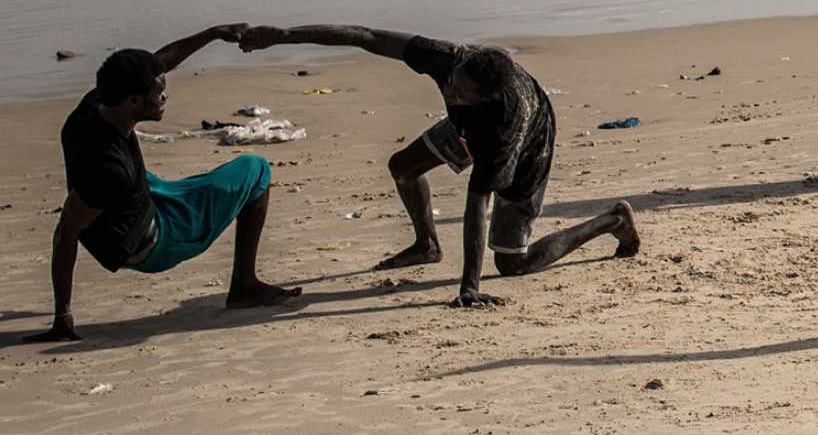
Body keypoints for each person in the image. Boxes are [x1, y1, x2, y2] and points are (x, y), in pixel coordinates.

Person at [234, 24, 635, 305]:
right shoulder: (450, 60)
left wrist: (469, 286)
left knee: (513, 263)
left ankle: (612, 221)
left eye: (460, 92)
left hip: (530, 142)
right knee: (403, 167)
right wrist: (283, 36)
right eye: (451, 82)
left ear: (484, 96)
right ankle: (426, 244)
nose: (449, 91)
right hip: (468, 126)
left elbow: (477, 202)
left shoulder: (502, 126)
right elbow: (367, 36)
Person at [33, 27, 298, 340]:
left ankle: (242, 281)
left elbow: (161, 62)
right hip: (152, 242)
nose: (165, 97)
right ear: (133, 100)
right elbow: (66, 231)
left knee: (147, 180)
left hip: (129, 201)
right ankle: (244, 285)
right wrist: (62, 315)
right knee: (255, 168)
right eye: (158, 94)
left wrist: (212, 34)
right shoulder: (110, 169)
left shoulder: (96, 104)